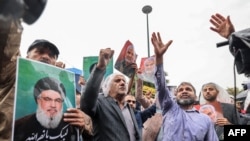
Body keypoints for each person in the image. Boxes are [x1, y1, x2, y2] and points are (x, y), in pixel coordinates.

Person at [0, 19, 91, 141]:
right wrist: (12, 12)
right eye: (40, 51)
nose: (46, 56)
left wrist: (86, 124)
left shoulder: (63, 87)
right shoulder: (14, 70)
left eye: (51, 55)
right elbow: (7, 46)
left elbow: (84, 126)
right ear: (27, 57)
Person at [151, 32, 219, 141]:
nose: (184, 91)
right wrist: (159, 57)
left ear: (196, 97)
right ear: (175, 95)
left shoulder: (205, 120)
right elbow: (161, 86)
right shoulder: (169, 108)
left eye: (188, 89)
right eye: (180, 90)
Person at [80, 48, 141, 141]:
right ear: (107, 87)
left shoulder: (128, 107)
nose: (122, 83)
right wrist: (100, 67)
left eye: (124, 81)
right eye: (117, 81)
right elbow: (86, 103)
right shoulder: (100, 102)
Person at [14, 77, 83, 140]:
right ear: (38, 100)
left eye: (58, 100)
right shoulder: (19, 127)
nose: (53, 105)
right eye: (47, 99)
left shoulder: (71, 125)